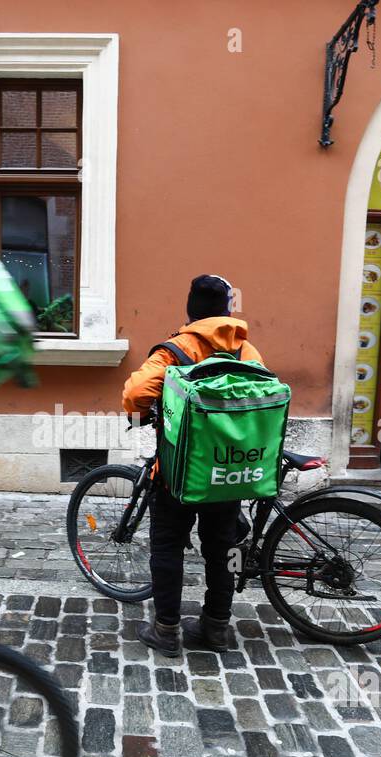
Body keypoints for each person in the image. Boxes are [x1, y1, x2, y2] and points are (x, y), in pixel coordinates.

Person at [121, 274, 265, 658]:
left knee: (167, 546)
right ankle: (216, 628)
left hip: (179, 473)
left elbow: (136, 392)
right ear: (227, 311)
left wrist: (137, 414)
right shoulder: (245, 350)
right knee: (222, 550)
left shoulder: (176, 349)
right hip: (227, 472)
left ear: (191, 310)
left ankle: (166, 630)